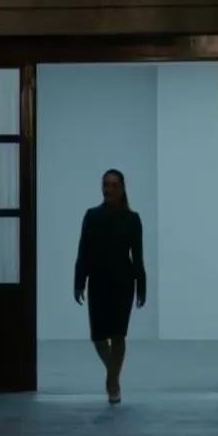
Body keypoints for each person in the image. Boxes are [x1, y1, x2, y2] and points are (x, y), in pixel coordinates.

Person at [74, 169, 147, 404]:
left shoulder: (132, 219)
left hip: (123, 282)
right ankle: (113, 375)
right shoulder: (92, 216)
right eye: (106, 184)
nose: (109, 189)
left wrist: (141, 286)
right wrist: (78, 282)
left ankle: (113, 385)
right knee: (98, 337)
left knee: (118, 334)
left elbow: (138, 256)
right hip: (97, 281)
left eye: (114, 185)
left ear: (122, 188)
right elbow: (83, 251)